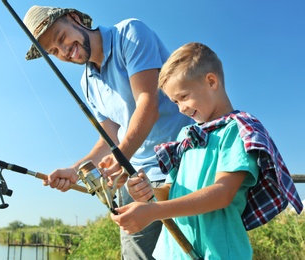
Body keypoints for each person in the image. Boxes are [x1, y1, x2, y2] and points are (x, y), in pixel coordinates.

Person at [22, 5, 193, 260]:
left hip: (182, 165)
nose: (64, 51)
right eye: (54, 51)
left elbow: (148, 103)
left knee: (193, 251)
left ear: (74, 18)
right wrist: (77, 169)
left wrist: (121, 156)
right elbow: (110, 137)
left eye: (61, 38)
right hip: (135, 180)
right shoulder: (86, 84)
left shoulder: (130, 33)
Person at [111, 42, 303, 259]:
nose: (181, 108)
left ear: (211, 81)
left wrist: (155, 211)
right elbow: (169, 190)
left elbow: (222, 194)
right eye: (175, 102)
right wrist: (147, 193)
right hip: (173, 252)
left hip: (219, 252)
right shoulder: (186, 136)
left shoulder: (237, 130)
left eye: (183, 96)